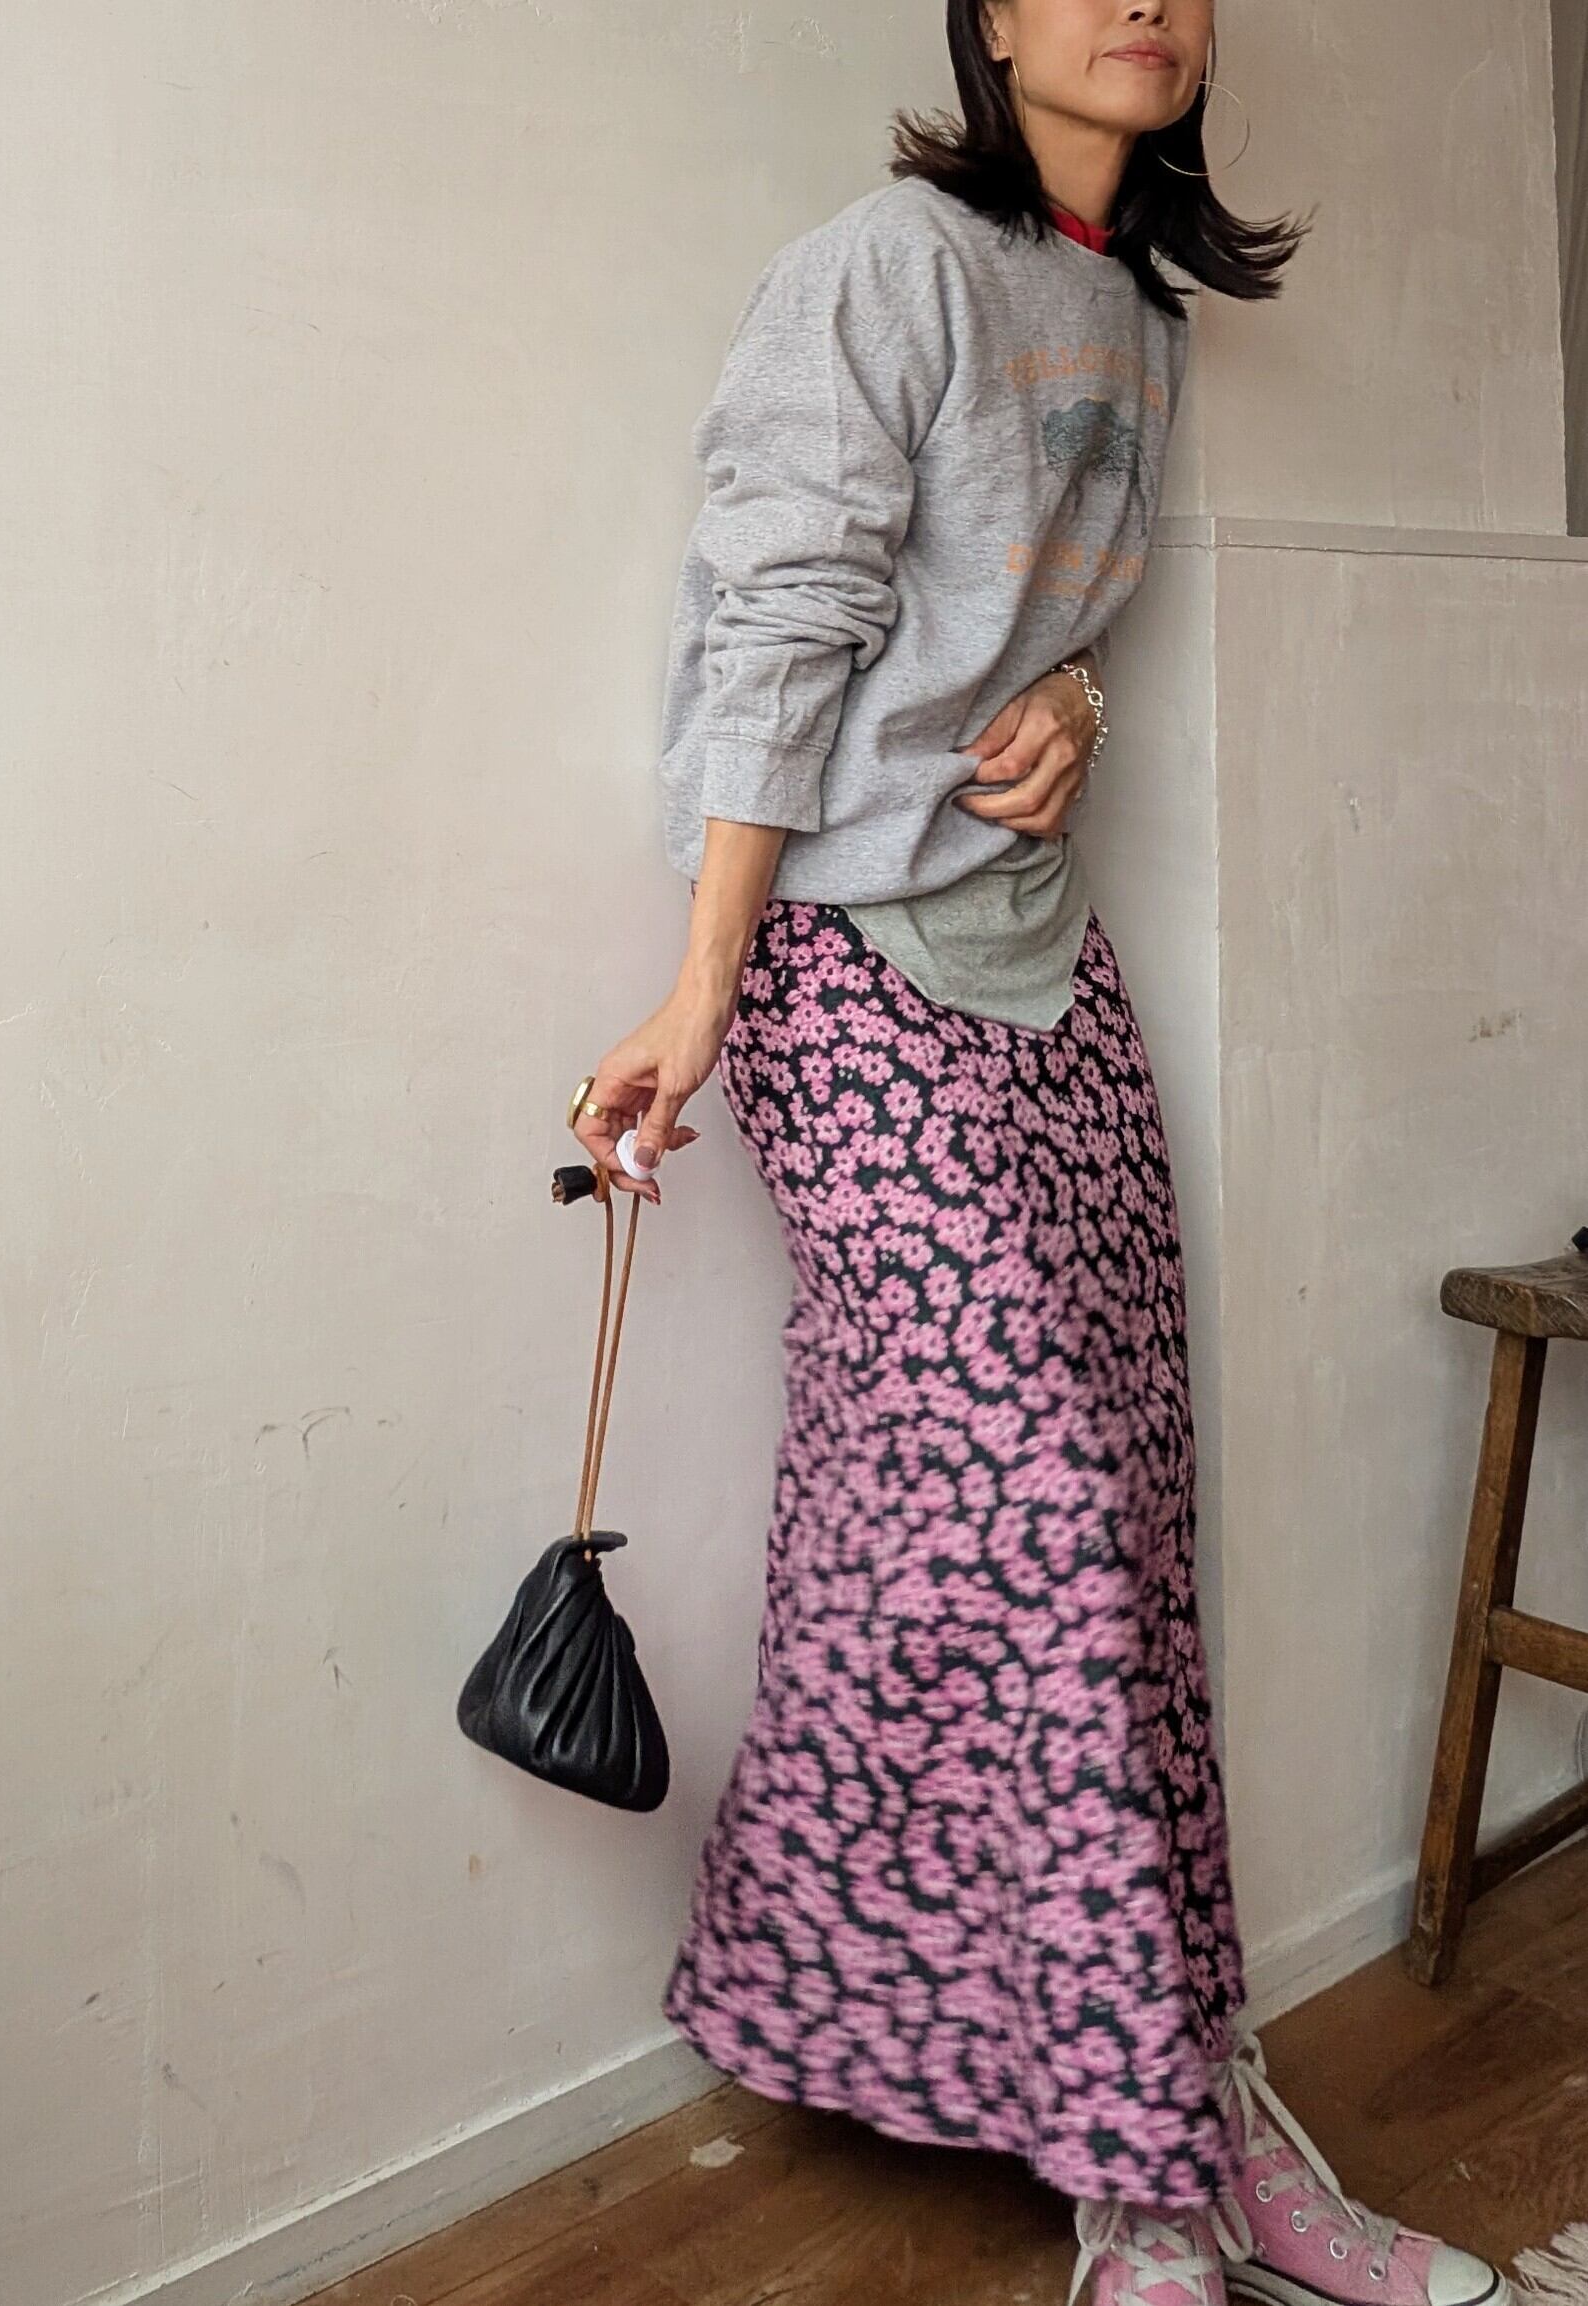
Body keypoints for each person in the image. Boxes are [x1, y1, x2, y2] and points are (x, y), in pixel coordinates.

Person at [569, 6, 1512, 2305]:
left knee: (1068, 1539)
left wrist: (1078, 694)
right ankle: (1149, 2194)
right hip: (845, 973)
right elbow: (778, 615)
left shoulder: (1131, 313)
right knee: (1050, 1530)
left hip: (1046, 977)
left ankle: (1164, 2092)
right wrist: (701, 992)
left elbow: (1018, 630)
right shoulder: (883, 264)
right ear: (988, 20)